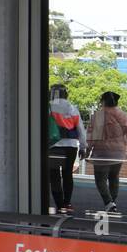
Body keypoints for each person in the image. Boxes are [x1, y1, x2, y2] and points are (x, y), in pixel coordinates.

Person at [86, 91, 127, 213]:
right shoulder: (123, 115)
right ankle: (113, 201)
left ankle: (109, 202)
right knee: (114, 177)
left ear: (103, 101)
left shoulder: (99, 115)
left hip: (102, 153)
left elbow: (93, 136)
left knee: (100, 179)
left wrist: (87, 150)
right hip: (119, 152)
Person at [47, 84, 85, 214]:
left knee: (54, 176)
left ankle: (59, 204)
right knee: (68, 174)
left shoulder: (49, 106)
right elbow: (80, 129)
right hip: (71, 146)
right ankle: (67, 203)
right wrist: (83, 147)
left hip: (53, 146)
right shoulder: (73, 108)